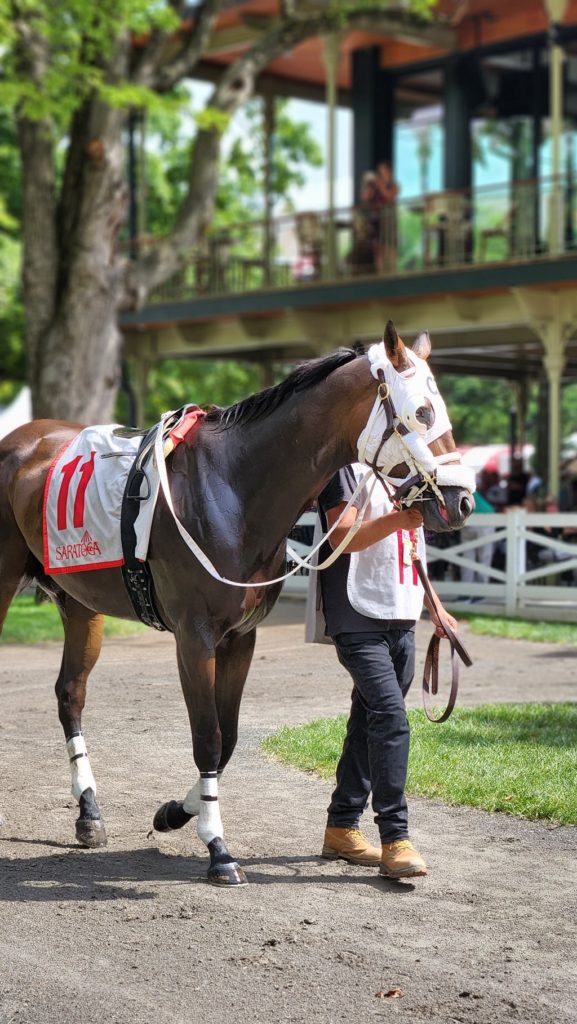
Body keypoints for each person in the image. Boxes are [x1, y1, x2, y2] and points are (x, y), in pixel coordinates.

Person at [307, 463, 458, 879]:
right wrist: (399, 518)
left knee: (368, 721)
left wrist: (435, 607)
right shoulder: (345, 473)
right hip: (357, 617)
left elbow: (412, 550)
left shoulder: (408, 480)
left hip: (402, 616)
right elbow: (341, 537)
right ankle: (396, 838)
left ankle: (340, 827)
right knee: (391, 718)